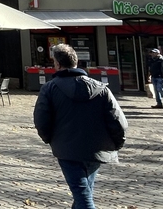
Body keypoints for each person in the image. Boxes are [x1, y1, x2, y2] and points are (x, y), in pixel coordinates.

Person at [33, 44, 127, 209]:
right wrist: (116, 143)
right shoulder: (101, 88)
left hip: (67, 149)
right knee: (84, 192)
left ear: (57, 64)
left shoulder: (50, 88)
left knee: (83, 196)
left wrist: (50, 139)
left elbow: (41, 120)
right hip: (97, 148)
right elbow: (118, 120)